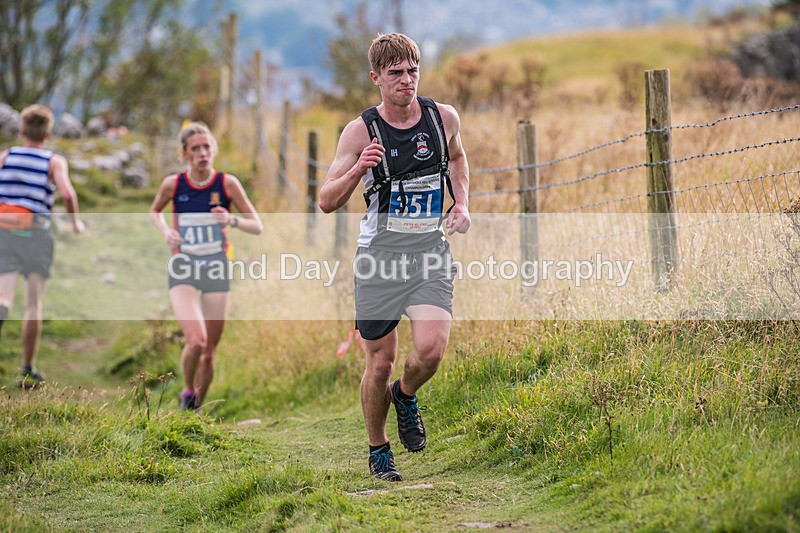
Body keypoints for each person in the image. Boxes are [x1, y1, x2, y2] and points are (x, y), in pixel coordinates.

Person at [319, 33, 471, 481]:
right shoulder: (360, 130)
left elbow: (459, 159)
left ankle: (404, 396)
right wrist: (357, 168)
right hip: (379, 259)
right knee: (379, 361)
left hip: (429, 253)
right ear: (376, 79)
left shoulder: (442, 118)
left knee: (430, 351)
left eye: (412, 71)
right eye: (396, 73)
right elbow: (326, 200)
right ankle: (378, 448)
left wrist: (460, 203)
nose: (407, 80)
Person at [149, 122, 263, 411]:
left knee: (210, 353)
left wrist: (231, 219)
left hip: (216, 268)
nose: (202, 153)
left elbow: (257, 225)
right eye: (195, 148)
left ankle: (196, 406)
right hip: (184, 266)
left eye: (206, 147)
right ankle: (187, 392)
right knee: (197, 340)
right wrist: (165, 232)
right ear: (185, 154)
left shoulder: (227, 184)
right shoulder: (174, 184)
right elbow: (155, 211)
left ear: (213, 149)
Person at [0, 104, 85, 388]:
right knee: (33, 305)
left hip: (5, 232)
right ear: (48, 133)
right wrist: (75, 223)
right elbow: (68, 194)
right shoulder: (53, 161)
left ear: (22, 130)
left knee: (4, 298)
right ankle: (27, 367)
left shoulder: (6, 156)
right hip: (36, 235)